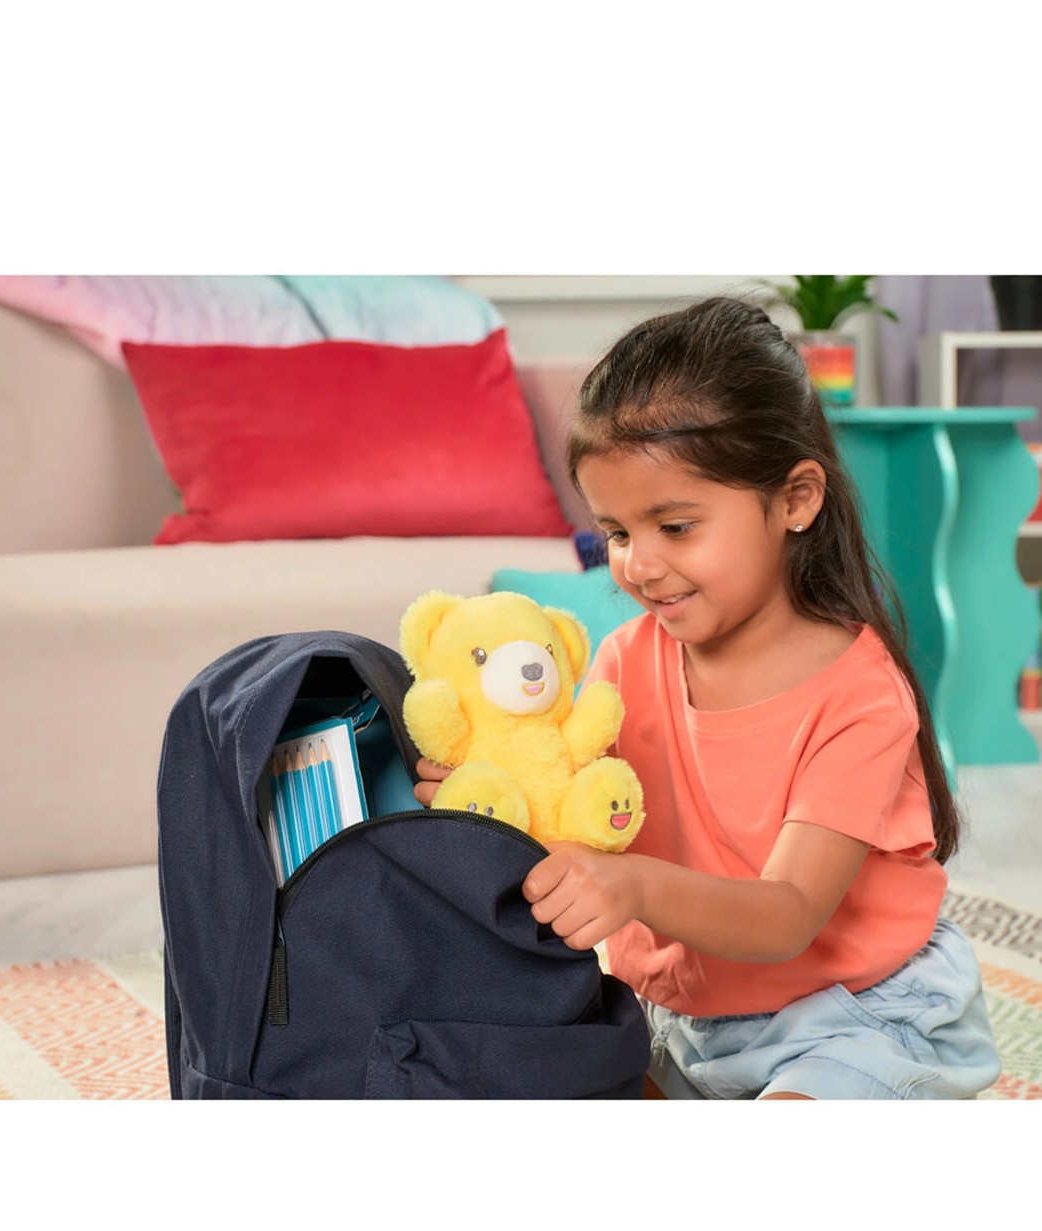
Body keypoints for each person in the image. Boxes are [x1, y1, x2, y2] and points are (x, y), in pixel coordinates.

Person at [416, 295, 1001, 1101]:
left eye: (676, 527)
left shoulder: (861, 695)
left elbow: (787, 912)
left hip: (857, 1016)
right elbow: (572, 815)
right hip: (680, 1018)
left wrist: (633, 885)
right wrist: (491, 805)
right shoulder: (624, 661)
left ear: (796, 499)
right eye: (618, 532)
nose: (639, 564)